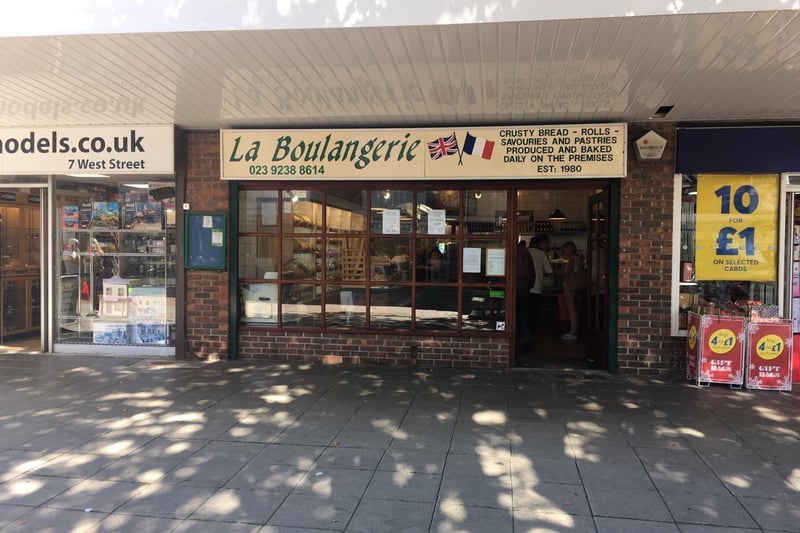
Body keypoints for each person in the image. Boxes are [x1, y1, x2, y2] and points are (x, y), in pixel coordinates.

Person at [528, 235, 554, 336]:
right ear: (541, 243)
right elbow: (550, 271)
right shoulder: (542, 254)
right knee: (534, 313)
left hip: (523, 288)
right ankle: (532, 333)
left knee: (523, 312)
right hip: (537, 288)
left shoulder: (524, 252)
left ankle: (523, 332)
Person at [560, 241, 582, 341]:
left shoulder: (572, 260)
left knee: (571, 310)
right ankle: (574, 331)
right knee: (574, 309)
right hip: (575, 286)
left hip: (569, 286)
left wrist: (563, 272)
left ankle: (573, 333)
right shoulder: (578, 259)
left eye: (565, 248)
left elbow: (567, 274)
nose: (563, 251)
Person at [516, 239, 535, 353]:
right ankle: (528, 340)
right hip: (523, 285)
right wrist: (529, 285)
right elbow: (532, 271)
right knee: (522, 314)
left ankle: (513, 343)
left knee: (508, 314)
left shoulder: (508, 250)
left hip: (512, 283)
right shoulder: (525, 251)